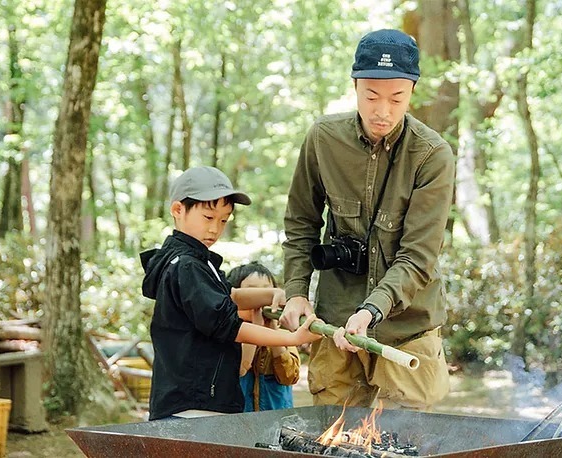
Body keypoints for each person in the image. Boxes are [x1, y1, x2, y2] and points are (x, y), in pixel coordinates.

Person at [280, 29, 455, 412]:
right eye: (371, 95)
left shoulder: (433, 156)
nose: (383, 111)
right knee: (330, 439)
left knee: (402, 444)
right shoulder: (323, 139)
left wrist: (372, 309)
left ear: (412, 92)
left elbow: (417, 257)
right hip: (337, 325)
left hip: (407, 330)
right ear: (355, 85)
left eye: (397, 98)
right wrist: (295, 291)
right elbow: (300, 223)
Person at [140, 166, 321, 421]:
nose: (215, 229)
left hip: (191, 401)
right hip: (194, 406)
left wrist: (272, 294)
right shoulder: (187, 266)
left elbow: (230, 296)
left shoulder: (195, 262)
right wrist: (292, 339)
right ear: (178, 210)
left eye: (223, 220)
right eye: (208, 217)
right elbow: (227, 324)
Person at [227, 262, 300, 412]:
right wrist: (255, 328)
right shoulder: (227, 334)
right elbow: (239, 369)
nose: (261, 301)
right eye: (254, 293)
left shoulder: (285, 335)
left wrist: (273, 333)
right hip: (239, 419)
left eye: (267, 292)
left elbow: (289, 376)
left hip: (277, 418)